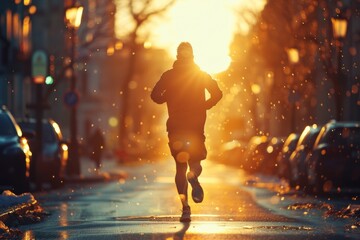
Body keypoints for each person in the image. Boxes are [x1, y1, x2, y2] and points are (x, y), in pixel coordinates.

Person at [151, 42, 222, 222]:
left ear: (177, 56)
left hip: (175, 128)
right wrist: (204, 106)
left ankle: (185, 208)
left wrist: (168, 96)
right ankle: (194, 177)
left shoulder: (169, 75)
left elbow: (154, 96)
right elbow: (218, 93)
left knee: (180, 168)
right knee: (195, 163)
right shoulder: (200, 75)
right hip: (195, 127)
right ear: (192, 56)